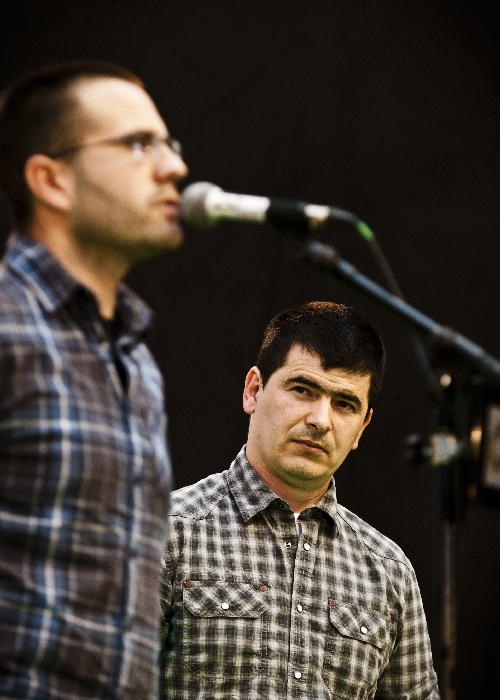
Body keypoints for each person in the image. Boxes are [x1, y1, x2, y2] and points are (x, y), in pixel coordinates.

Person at [0, 61, 188, 700]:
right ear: (51, 180)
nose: (174, 167)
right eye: (139, 145)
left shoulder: (137, 362)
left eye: (168, 144)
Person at [160, 301, 440, 699]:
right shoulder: (168, 531)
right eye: (303, 389)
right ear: (253, 390)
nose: (320, 420)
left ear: (362, 427)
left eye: (344, 404)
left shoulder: (389, 570)